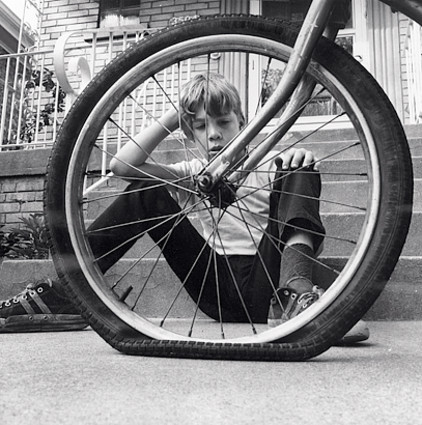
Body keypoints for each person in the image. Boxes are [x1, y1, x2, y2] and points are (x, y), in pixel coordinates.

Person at [0, 73, 369, 344]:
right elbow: (122, 166)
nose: (214, 133)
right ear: (190, 134)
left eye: (223, 122)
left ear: (243, 122)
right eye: (201, 126)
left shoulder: (273, 165)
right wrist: (175, 116)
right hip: (214, 286)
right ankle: (68, 290)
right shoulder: (191, 174)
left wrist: (297, 162)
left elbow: (297, 217)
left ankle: (299, 294)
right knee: (145, 189)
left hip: (269, 280)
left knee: (300, 165)